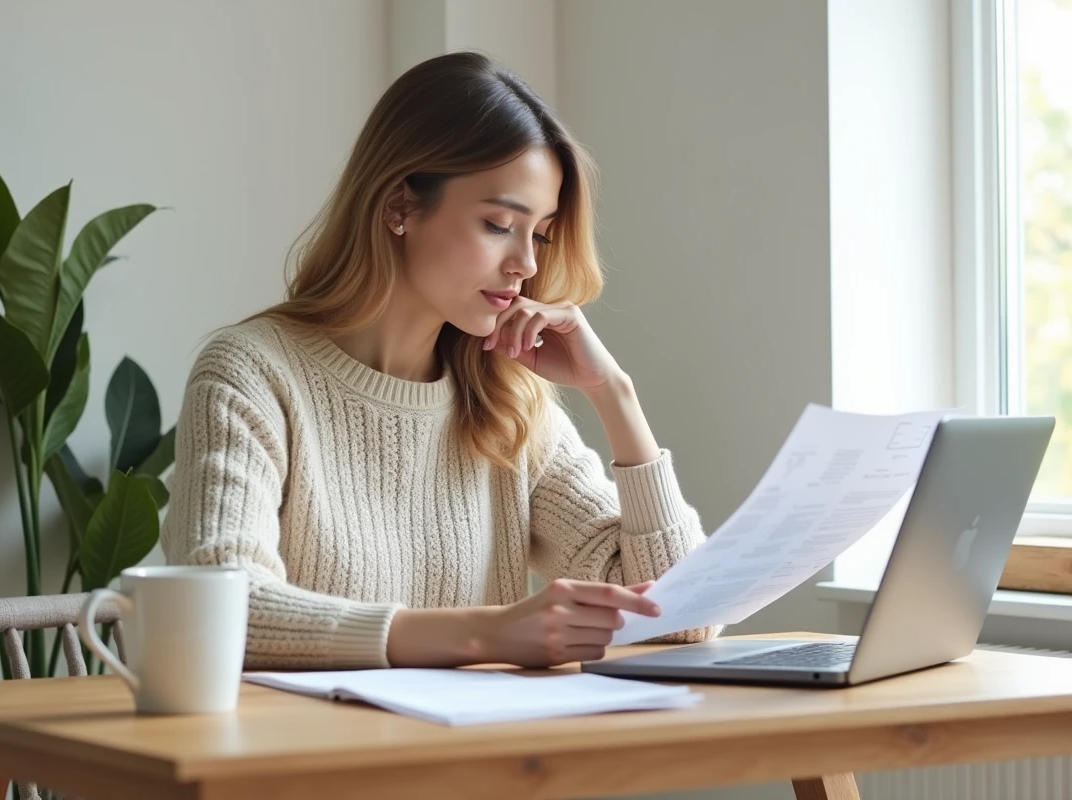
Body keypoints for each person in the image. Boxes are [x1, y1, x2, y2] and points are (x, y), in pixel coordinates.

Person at [160, 51, 720, 671]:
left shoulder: (507, 400)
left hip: (483, 763)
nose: (526, 265)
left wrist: (613, 391)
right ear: (400, 204)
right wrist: (485, 635)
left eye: (539, 234)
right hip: (311, 763)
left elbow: (682, 619)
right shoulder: (252, 373)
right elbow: (218, 610)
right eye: (497, 223)